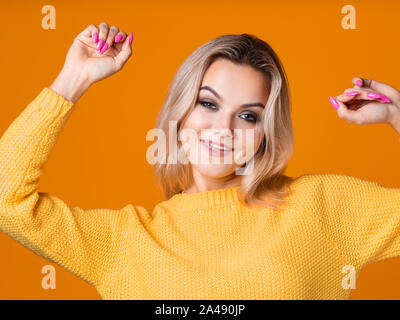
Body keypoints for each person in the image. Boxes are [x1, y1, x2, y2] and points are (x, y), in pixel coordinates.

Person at [0, 22, 399, 300]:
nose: (223, 129)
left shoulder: (320, 206)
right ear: (181, 111)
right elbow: (6, 200)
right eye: (208, 103)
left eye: (248, 115)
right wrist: (74, 78)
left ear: (265, 131)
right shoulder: (124, 241)